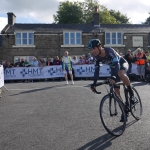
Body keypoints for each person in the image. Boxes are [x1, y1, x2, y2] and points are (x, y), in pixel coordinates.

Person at [88, 39, 136, 122]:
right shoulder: (96, 58)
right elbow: (96, 71)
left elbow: (117, 64)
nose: (93, 51)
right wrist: (94, 83)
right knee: (116, 92)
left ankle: (132, 94)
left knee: (121, 73)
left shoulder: (109, 50)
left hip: (121, 64)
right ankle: (124, 110)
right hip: (113, 68)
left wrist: (114, 76)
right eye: (91, 49)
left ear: (100, 47)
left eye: (94, 48)